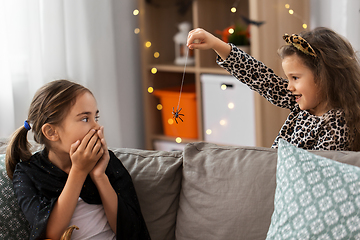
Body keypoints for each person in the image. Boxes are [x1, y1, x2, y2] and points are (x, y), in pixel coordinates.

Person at [5, 80, 151, 240]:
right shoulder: (27, 173)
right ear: (51, 132)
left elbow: (131, 231)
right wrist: (79, 171)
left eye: (96, 117)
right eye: (84, 119)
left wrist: (99, 176)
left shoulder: (107, 160)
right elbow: (49, 233)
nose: (97, 127)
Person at [187, 27, 360, 151]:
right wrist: (216, 44)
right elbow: (260, 77)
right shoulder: (303, 102)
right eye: (288, 78)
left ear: (325, 76)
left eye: (295, 78)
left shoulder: (337, 128)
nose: (289, 86)